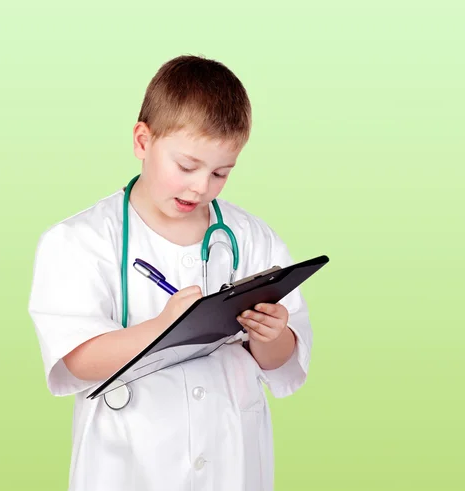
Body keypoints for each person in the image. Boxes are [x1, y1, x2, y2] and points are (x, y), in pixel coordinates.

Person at [28, 54, 313, 491]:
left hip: (230, 460)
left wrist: (271, 335)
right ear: (143, 141)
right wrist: (163, 328)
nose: (201, 187)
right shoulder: (78, 241)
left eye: (221, 173)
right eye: (186, 166)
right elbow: (77, 358)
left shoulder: (253, 238)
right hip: (127, 461)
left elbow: (282, 363)